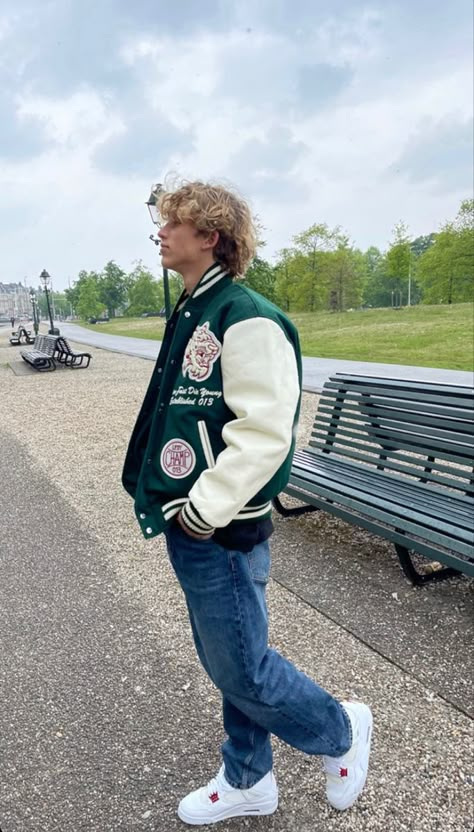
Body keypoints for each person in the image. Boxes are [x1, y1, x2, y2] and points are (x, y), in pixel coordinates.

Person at [122, 180, 373, 826]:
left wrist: (203, 509)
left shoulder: (245, 315)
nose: (161, 232)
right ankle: (248, 776)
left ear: (209, 236)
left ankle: (340, 728)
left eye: (173, 223)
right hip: (197, 522)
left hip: (221, 528)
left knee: (245, 667)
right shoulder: (195, 309)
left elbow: (264, 435)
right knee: (227, 658)